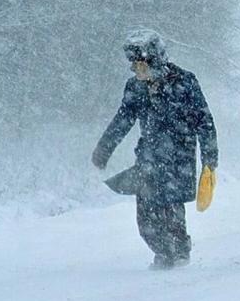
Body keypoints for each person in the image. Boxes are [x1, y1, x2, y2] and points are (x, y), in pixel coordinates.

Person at [92, 29, 218, 269]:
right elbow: (123, 119)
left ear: (156, 60)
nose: (136, 70)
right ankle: (162, 253)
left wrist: (209, 160)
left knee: (171, 209)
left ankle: (179, 253)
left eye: (141, 64)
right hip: (148, 158)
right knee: (146, 216)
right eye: (134, 65)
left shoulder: (185, 82)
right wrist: (104, 148)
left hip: (179, 157)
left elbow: (205, 122)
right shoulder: (135, 88)